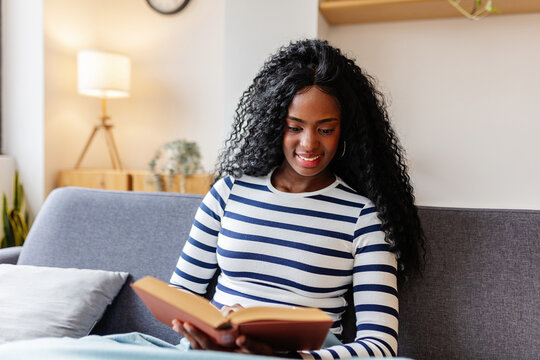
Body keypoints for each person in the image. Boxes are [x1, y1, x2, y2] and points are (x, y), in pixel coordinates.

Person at [169, 39, 425, 359]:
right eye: (295, 126)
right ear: (275, 125)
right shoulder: (229, 192)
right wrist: (201, 331)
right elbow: (181, 293)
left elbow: (381, 345)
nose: (309, 144)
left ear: (345, 131)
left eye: (326, 130)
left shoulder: (364, 218)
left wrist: (293, 357)